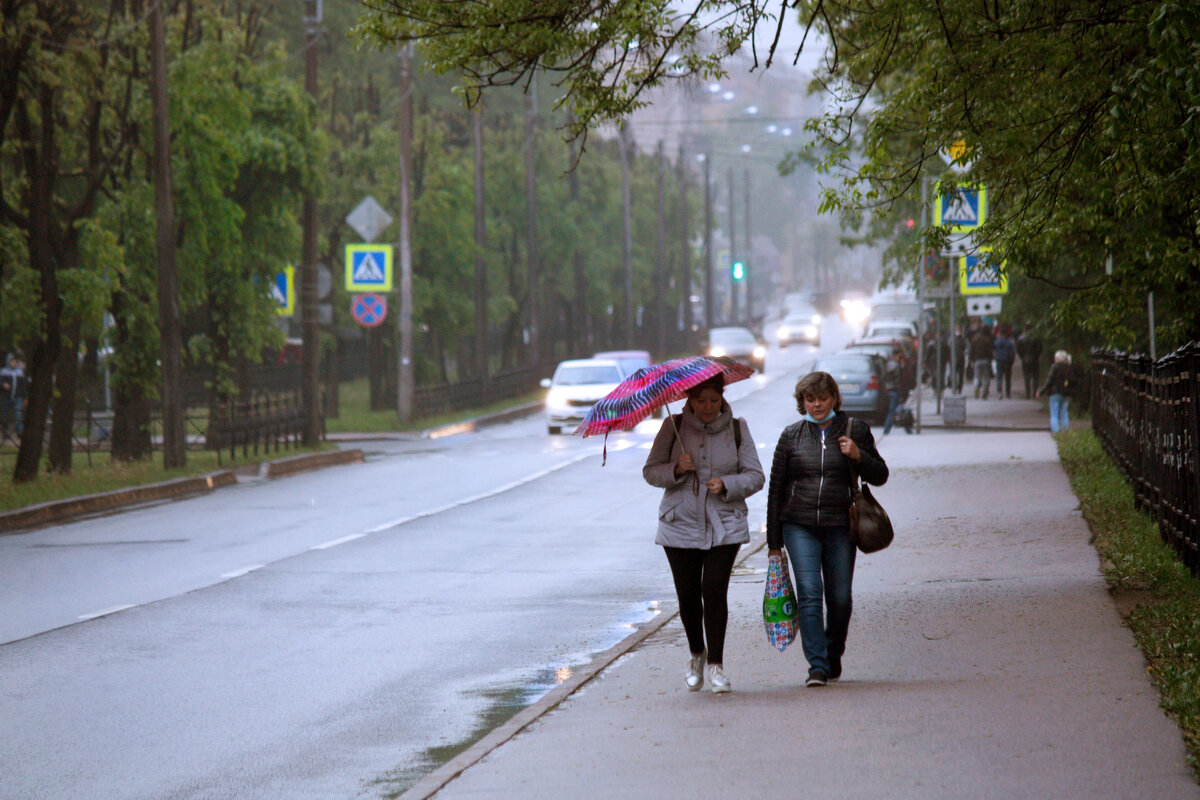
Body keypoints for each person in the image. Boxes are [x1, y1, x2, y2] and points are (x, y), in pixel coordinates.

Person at [766, 371, 889, 687]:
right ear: (802, 402)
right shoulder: (790, 436)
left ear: (834, 398)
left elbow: (880, 475)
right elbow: (776, 489)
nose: (817, 404)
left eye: (823, 398)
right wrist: (774, 543)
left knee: (840, 599)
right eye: (810, 399)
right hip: (799, 525)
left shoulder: (855, 430)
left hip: (839, 525)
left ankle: (833, 653)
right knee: (809, 592)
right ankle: (817, 666)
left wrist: (858, 455)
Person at [643, 374, 764, 693]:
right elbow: (650, 471)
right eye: (701, 401)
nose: (708, 407)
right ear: (689, 399)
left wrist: (728, 484)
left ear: (723, 397)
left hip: (724, 522)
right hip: (679, 522)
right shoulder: (673, 427)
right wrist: (676, 469)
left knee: (713, 588)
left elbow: (755, 475)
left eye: (714, 400)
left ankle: (717, 667)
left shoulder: (738, 428)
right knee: (687, 596)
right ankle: (697, 653)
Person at [1037, 350, 1074, 433]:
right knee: (1064, 413)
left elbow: (1049, 381)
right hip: (1065, 393)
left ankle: (1056, 431)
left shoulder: (1055, 367)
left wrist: (1041, 392)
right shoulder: (1068, 367)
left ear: (1057, 358)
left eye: (1055, 358)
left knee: (1054, 414)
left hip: (1055, 393)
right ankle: (1065, 430)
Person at [881, 346, 912, 435]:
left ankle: (907, 429)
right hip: (895, 391)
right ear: (898, 354)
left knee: (900, 410)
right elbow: (898, 380)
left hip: (892, 390)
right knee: (894, 411)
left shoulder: (890, 364)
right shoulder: (896, 365)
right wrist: (901, 391)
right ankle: (887, 430)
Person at [0, 352, 26, 441]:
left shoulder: (19, 372)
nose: (14, 363)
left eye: (15, 361)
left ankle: (20, 432)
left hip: (17, 396)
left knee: (18, 413)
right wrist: (3, 385)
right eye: (12, 361)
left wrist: (24, 397)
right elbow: (1, 382)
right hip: (6, 396)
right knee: (5, 415)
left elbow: (22, 386)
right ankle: (5, 432)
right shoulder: (3, 371)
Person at [1016, 324, 1044, 398]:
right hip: (1035, 359)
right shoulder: (1036, 338)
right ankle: (1034, 392)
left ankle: (1028, 393)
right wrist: (1037, 356)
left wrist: (1022, 356)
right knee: (1035, 376)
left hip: (1025, 359)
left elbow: (1018, 349)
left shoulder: (1021, 338)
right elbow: (1040, 348)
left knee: (1026, 377)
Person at [970, 325, 994, 399]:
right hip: (986, 360)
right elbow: (991, 350)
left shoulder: (975, 338)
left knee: (977, 376)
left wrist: (971, 359)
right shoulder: (988, 339)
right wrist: (991, 358)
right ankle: (985, 393)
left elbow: (972, 350)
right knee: (986, 377)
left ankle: (976, 387)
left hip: (977, 360)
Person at [993, 325, 1016, 399]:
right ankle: (1008, 393)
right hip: (1007, 362)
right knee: (1008, 378)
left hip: (999, 361)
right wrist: (1011, 361)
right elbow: (1012, 353)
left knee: (999, 377)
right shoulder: (1009, 343)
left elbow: (994, 351)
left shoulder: (996, 342)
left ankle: (999, 392)